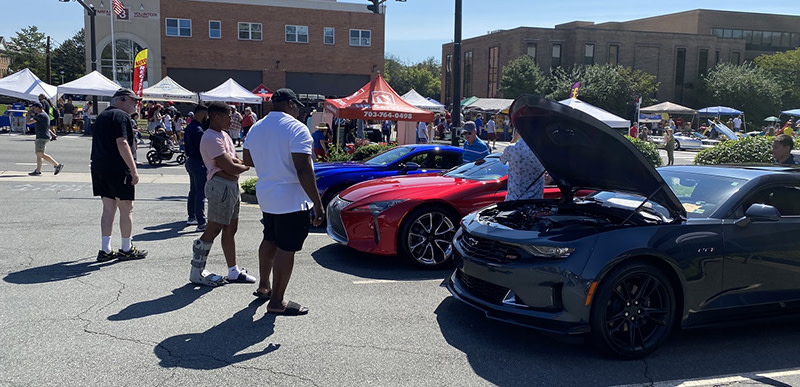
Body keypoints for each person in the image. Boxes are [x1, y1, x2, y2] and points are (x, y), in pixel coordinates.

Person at [243, 88, 323, 316]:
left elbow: (248, 159)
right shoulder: (297, 128)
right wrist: (317, 204)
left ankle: (264, 286)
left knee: (269, 238)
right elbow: (303, 169)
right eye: (296, 105)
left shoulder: (257, 127)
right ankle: (277, 302)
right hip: (291, 198)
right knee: (286, 249)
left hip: (267, 194)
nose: (298, 110)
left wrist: (271, 163)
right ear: (289, 104)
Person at [190, 101, 253, 287]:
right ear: (217, 117)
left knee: (230, 229)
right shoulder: (210, 137)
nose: (232, 119)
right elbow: (231, 166)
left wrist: (236, 167)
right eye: (228, 116)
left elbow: (233, 162)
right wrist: (244, 166)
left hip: (230, 186)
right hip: (220, 188)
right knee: (213, 229)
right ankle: (197, 271)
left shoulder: (223, 135)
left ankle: (233, 271)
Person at [91, 88, 147, 262]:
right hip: (117, 167)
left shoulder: (102, 116)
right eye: (133, 100)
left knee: (108, 209)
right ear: (121, 99)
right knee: (126, 208)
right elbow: (121, 143)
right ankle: (126, 247)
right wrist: (133, 169)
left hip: (100, 166)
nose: (136, 104)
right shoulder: (122, 117)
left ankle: (105, 249)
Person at [183, 104, 209, 232]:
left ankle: (191, 216)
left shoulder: (190, 126)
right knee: (200, 193)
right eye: (206, 114)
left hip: (190, 161)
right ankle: (201, 221)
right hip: (198, 162)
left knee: (193, 190)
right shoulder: (198, 129)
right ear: (202, 113)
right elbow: (202, 149)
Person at [500, 129, 545, 200]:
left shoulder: (511, 149)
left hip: (513, 200)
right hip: (536, 201)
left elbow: (502, 161)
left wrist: (514, 140)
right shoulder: (543, 151)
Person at [27, 102, 64, 177]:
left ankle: (57, 165)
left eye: (34, 108)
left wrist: (28, 114)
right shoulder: (44, 115)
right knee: (39, 155)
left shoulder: (41, 115)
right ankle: (38, 170)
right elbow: (46, 127)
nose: (33, 110)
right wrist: (52, 134)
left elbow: (28, 122)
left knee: (39, 153)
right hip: (42, 136)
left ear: (38, 108)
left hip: (41, 137)